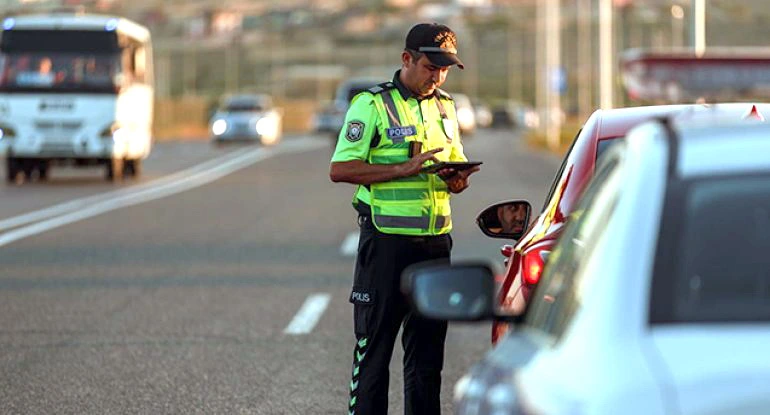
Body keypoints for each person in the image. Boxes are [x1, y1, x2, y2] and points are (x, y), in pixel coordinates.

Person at [329, 22, 480, 415]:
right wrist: (402, 170)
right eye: (431, 66)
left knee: (428, 358)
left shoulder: (446, 106)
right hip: (386, 244)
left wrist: (456, 180)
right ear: (407, 59)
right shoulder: (371, 104)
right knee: (375, 352)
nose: (438, 76)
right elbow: (341, 169)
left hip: (435, 244)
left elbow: (447, 165)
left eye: (445, 68)